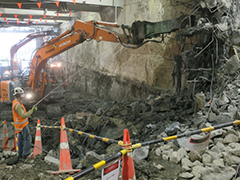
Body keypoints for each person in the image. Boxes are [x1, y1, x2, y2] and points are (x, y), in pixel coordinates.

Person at [12, 87, 37, 159]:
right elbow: (22, 115)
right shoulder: (17, 105)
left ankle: (20, 154)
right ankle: (25, 155)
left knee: (21, 140)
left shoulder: (16, 102)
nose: (22, 95)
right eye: (21, 94)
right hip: (22, 125)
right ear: (19, 95)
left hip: (19, 126)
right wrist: (31, 111)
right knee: (27, 139)